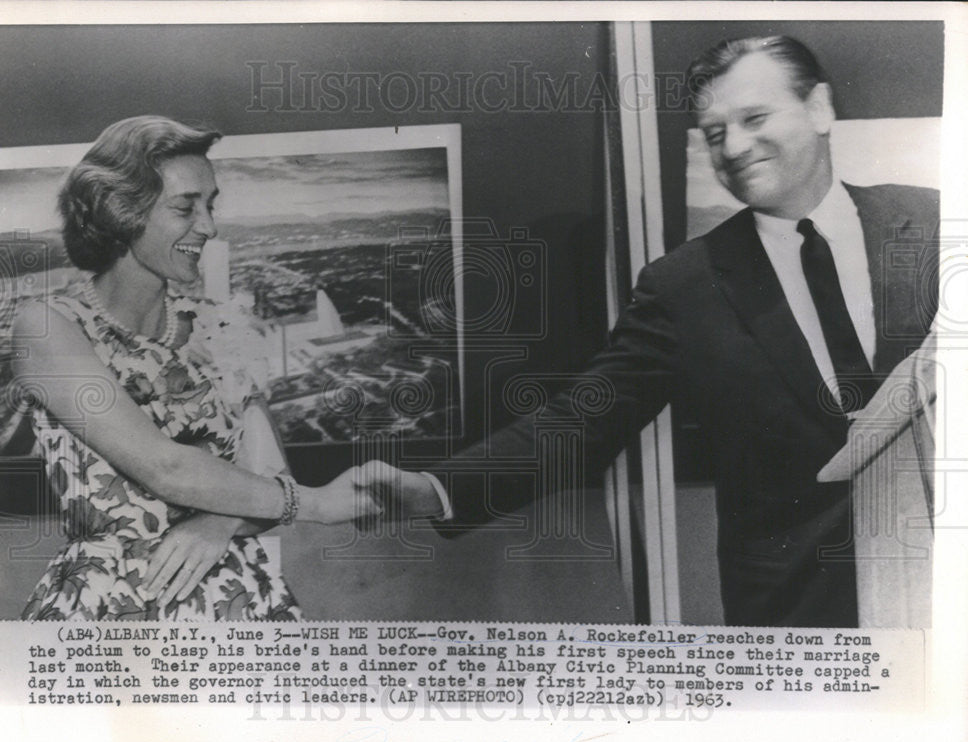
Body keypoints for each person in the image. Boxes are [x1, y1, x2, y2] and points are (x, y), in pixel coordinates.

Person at [359, 36, 939, 627]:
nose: (735, 147)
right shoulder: (684, 284)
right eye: (714, 134)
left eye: (755, 118)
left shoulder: (933, 223)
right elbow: (581, 420)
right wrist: (434, 489)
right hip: (799, 613)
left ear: (819, 108)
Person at [12, 115, 379, 621]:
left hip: (243, 603)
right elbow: (165, 467)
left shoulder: (220, 322)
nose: (208, 226)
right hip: (109, 609)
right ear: (123, 212)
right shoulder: (48, 325)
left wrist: (218, 521)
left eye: (210, 204)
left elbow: (271, 474)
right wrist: (313, 504)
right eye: (186, 207)